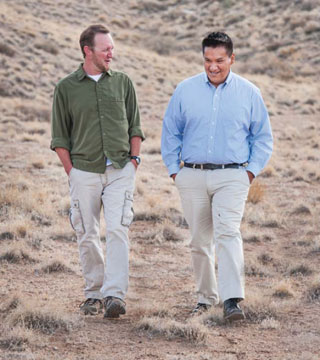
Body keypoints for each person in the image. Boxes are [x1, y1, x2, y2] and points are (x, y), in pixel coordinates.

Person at [161, 32, 273, 321]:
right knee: (199, 240)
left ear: (232, 59)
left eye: (220, 60)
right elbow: (171, 131)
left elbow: (262, 137)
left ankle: (232, 300)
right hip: (192, 176)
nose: (213, 66)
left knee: (228, 233)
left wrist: (248, 172)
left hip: (232, 175)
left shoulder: (249, 92)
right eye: (208, 60)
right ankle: (206, 298)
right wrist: (175, 171)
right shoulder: (185, 90)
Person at [51, 24, 144, 319]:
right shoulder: (66, 88)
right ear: (87, 51)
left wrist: (134, 162)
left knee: (117, 229)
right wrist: (72, 172)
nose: (111, 54)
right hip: (84, 171)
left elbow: (135, 127)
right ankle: (94, 294)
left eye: (113, 48)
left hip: (119, 169)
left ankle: (115, 295)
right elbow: (59, 138)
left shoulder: (123, 82)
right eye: (106, 49)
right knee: (87, 233)